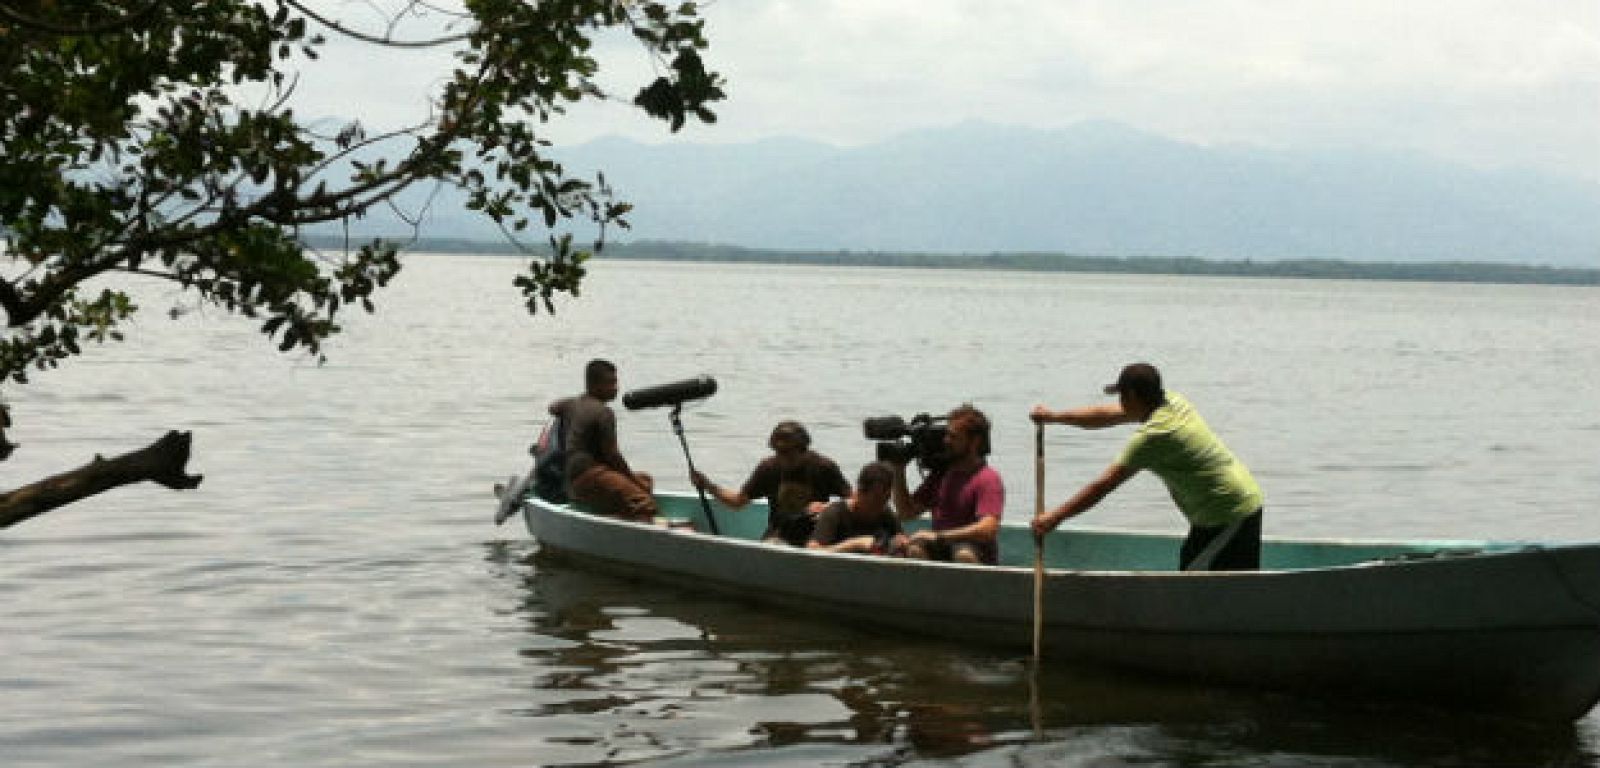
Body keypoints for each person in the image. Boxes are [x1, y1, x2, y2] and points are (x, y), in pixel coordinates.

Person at [1030, 362, 1265, 571]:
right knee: (1204, 581)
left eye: (1121, 396)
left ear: (1132, 396)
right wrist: (1054, 417)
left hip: (1228, 513)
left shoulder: (1154, 436)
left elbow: (1102, 486)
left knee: (1195, 588)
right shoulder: (1172, 400)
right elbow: (1106, 415)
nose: (1119, 403)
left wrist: (1055, 517)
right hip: (1226, 506)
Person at [691, 420, 851, 545]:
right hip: (780, 533)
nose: (782, 457)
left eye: (788, 452)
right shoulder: (769, 468)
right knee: (771, 547)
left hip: (817, 534)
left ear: (803, 448)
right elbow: (738, 502)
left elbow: (854, 500)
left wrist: (828, 508)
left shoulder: (823, 467)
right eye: (778, 452)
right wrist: (708, 485)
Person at [891, 405, 1005, 564]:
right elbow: (906, 512)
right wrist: (898, 470)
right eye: (947, 436)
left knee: (963, 554)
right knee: (915, 548)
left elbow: (988, 529)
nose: (946, 441)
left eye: (954, 437)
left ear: (974, 442)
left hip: (975, 551)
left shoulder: (987, 478)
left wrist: (940, 536)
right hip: (942, 546)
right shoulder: (941, 475)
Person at [548, 359, 656, 522]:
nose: (616, 388)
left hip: (574, 479)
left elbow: (553, 407)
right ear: (595, 385)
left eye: (616, 382)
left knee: (646, 479)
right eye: (610, 383)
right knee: (645, 503)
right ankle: (621, 523)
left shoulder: (573, 404)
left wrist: (636, 482)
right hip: (591, 475)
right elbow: (613, 456)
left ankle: (615, 515)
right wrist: (634, 482)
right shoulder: (604, 413)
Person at [808, 462, 907, 555]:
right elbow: (812, 551)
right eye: (876, 499)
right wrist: (854, 544)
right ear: (860, 492)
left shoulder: (886, 514)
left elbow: (901, 539)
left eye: (886, 499)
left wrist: (902, 544)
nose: (880, 506)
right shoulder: (835, 514)